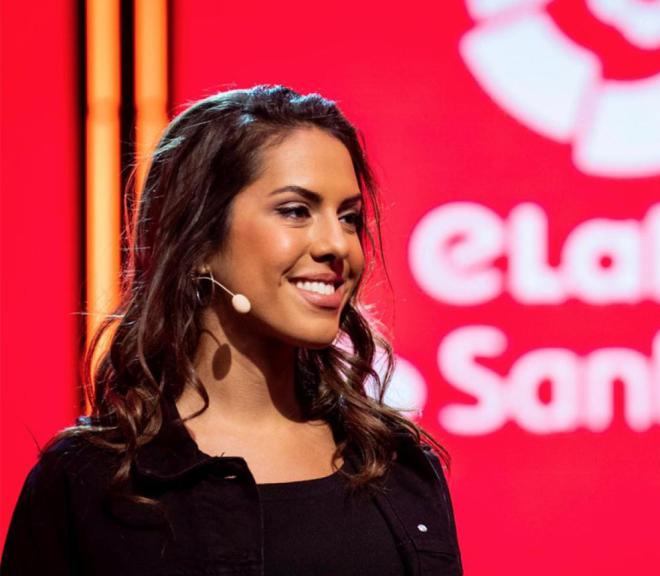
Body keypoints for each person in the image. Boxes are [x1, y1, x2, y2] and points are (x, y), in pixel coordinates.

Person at [0, 85, 462, 575]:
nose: (338, 245)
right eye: (295, 211)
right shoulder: (92, 480)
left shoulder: (398, 465)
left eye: (348, 218)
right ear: (199, 238)